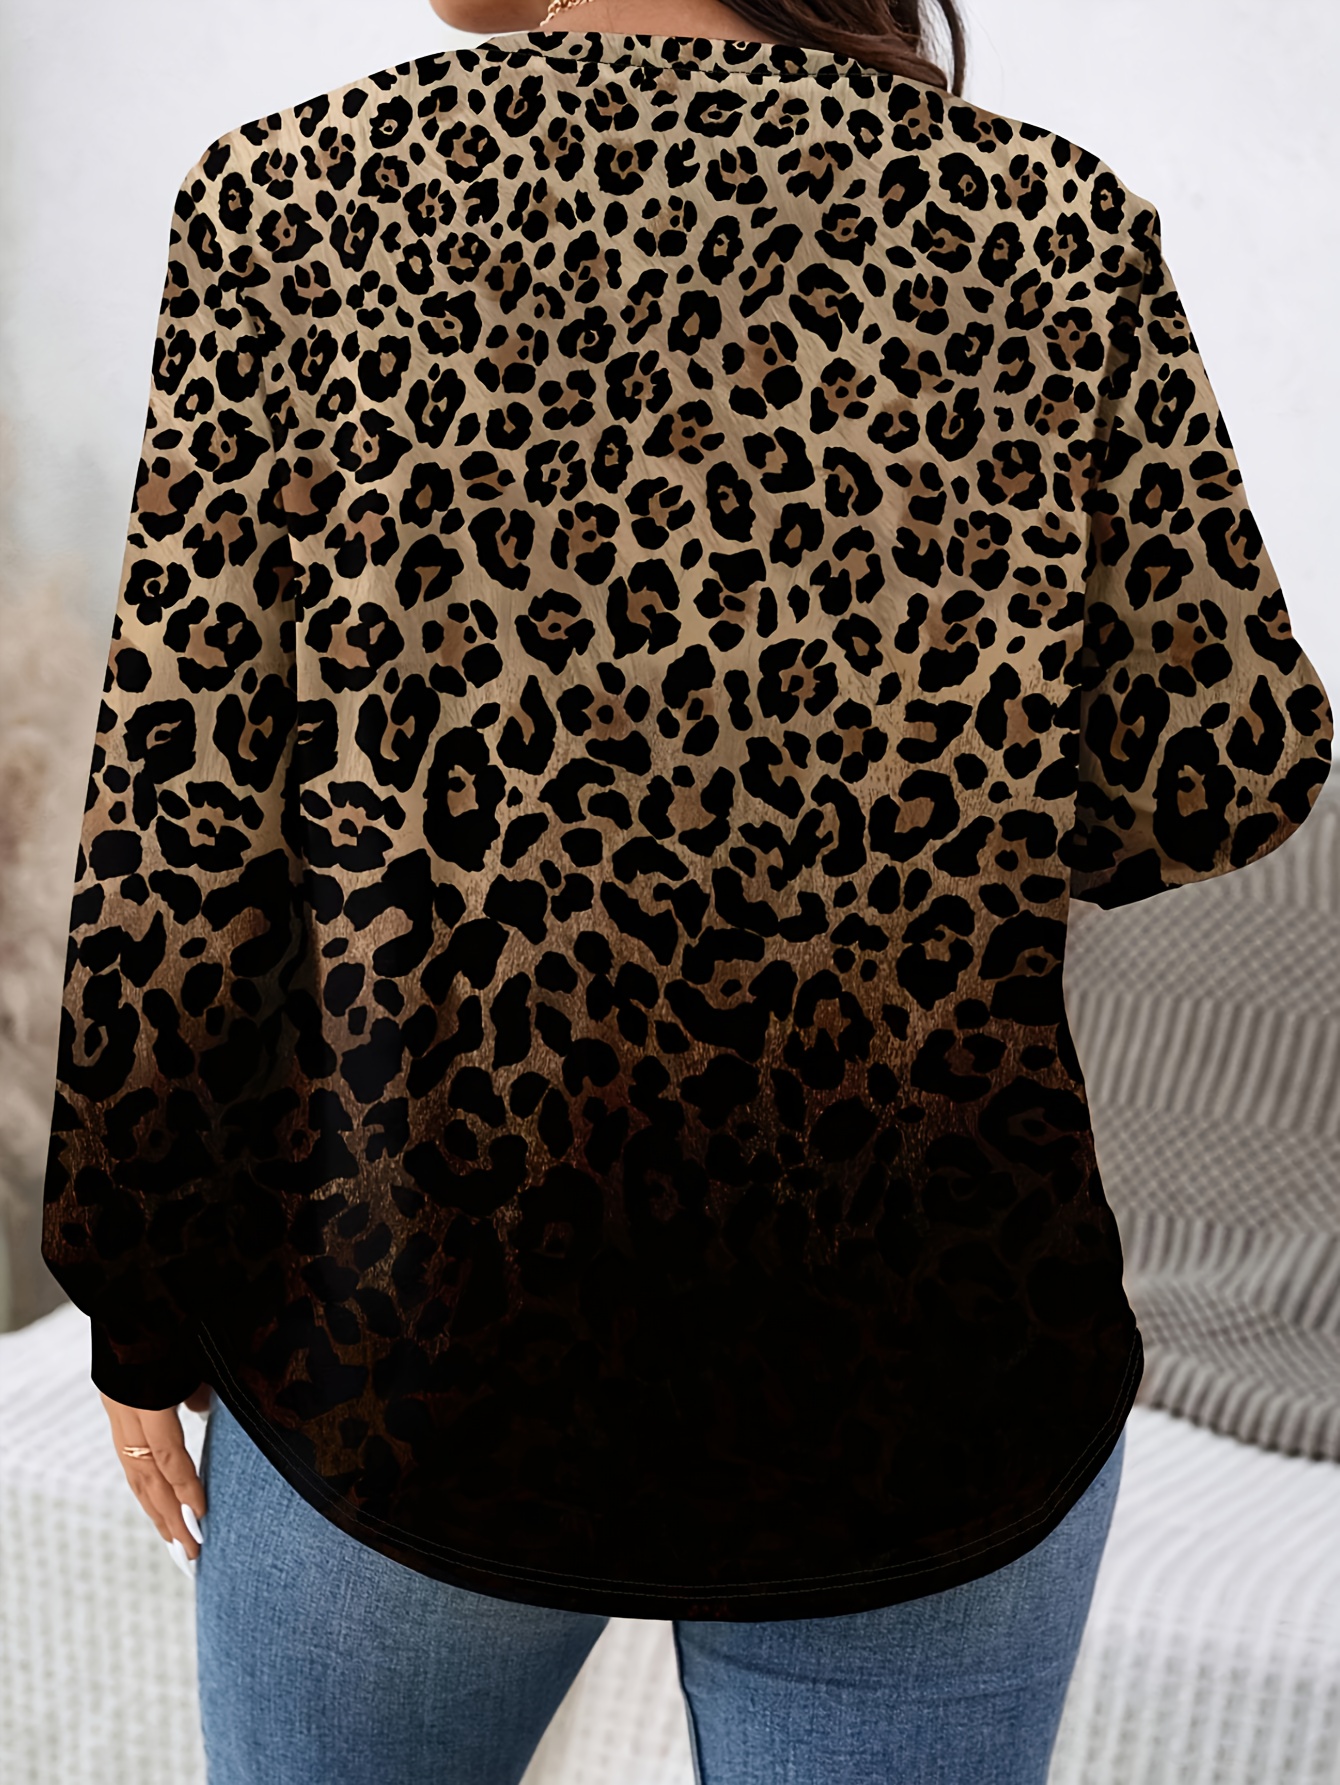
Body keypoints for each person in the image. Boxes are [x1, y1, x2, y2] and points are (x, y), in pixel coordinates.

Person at [42, 0, 1332, 1779]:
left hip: (410, 1356)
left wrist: (134, 1287)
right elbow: (1223, 766)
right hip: (925, 1376)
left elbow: (175, 832)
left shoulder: (294, 202)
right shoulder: (1054, 229)